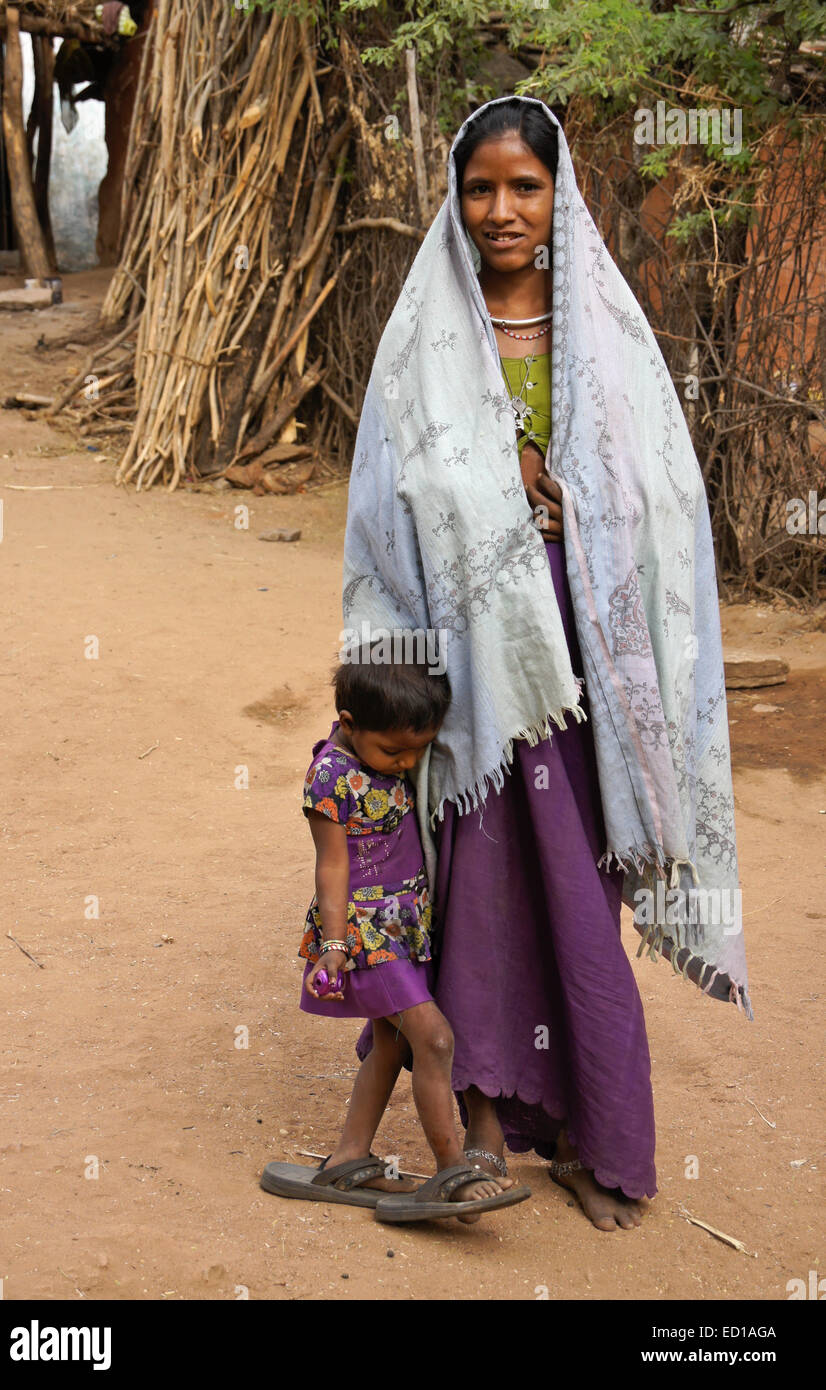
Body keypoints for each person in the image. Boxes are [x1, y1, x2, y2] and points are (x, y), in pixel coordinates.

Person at [344, 96, 751, 1232]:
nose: (501, 210)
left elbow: (663, 494)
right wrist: (483, 514)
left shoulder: (603, 332)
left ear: (558, 193)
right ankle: (479, 1127)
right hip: (476, 667)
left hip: (582, 662)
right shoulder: (425, 332)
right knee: (474, 885)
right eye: (480, 188)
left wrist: (587, 516)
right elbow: (388, 501)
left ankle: (593, 1134)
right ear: (454, 196)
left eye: (524, 187)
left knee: (577, 884)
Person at [260, 655, 531, 1223]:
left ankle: (347, 1156)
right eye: (393, 752)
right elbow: (331, 867)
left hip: (402, 927)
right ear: (348, 721)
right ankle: (452, 1171)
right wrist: (334, 946)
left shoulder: (382, 749)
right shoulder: (331, 776)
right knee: (432, 1040)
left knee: (391, 1045)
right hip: (361, 934)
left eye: (417, 751)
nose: (407, 763)